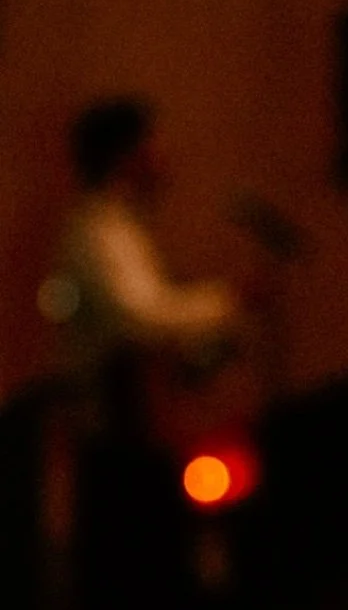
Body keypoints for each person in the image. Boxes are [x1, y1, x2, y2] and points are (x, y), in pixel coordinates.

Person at [44, 99, 239, 396]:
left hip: (134, 407)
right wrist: (227, 301)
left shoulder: (118, 226)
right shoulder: (99, 233)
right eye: (154, 144)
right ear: (125, 156)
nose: (164, 157)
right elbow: (138, 320)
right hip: (117, 418)